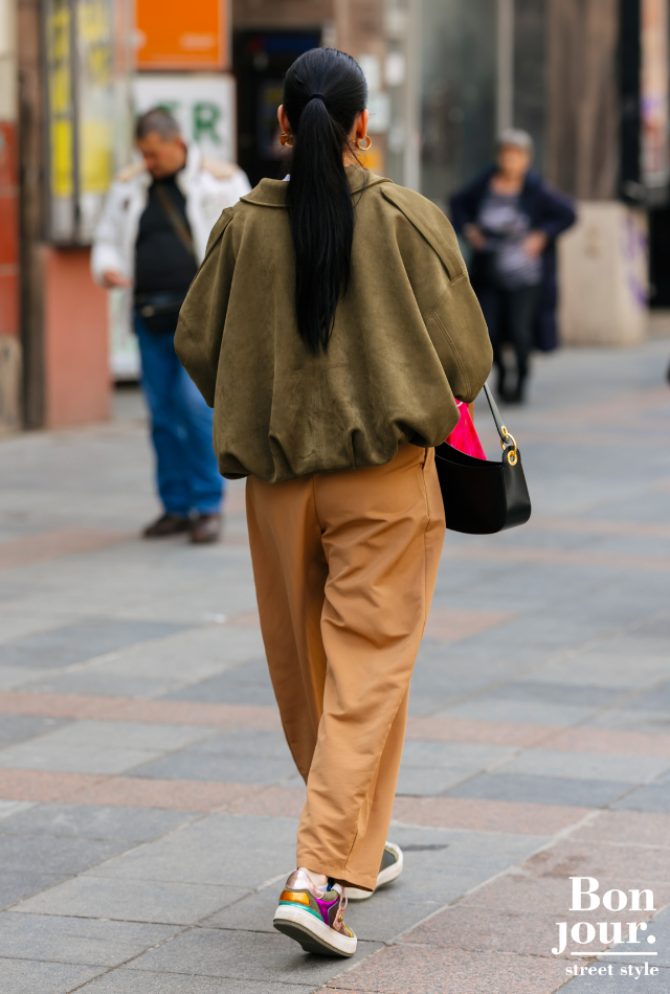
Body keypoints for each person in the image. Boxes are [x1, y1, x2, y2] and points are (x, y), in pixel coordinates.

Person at [175, 48, 493, 957]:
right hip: (385, 479)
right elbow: (468, 362)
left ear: (283, 125)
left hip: (277, 487)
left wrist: (267, 401)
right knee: (367, 672)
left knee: (310, 675)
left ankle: (350, 842)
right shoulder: (405, 219)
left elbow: (200, 345)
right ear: (362, 127)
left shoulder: (241, 227)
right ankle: (318, 879)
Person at [91, 108, 250, 543]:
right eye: (143, 154)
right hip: (147, 317)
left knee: (195, 408)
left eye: (154, 153)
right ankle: (175, 506)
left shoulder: (223, 180)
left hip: (198, 321)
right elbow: (106, 240)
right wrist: (106, 268)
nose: (149, 162)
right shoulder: (130, 187)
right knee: (161, 415)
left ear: (178, 143)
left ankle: (207, 505)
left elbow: (247, 240)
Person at [450, 129, 576, 404]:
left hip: (525, 274)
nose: (510, 162)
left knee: (520, 331)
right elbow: (457, 204)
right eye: (506, 155)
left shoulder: (535, 188)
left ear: (526, 159)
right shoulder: (485, 182)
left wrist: (541, 235)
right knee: (488, 330)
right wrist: (469, 230)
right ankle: (502, 373)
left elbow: (568, 213)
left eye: (516, 156)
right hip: (489, 271)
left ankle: (521, 378)